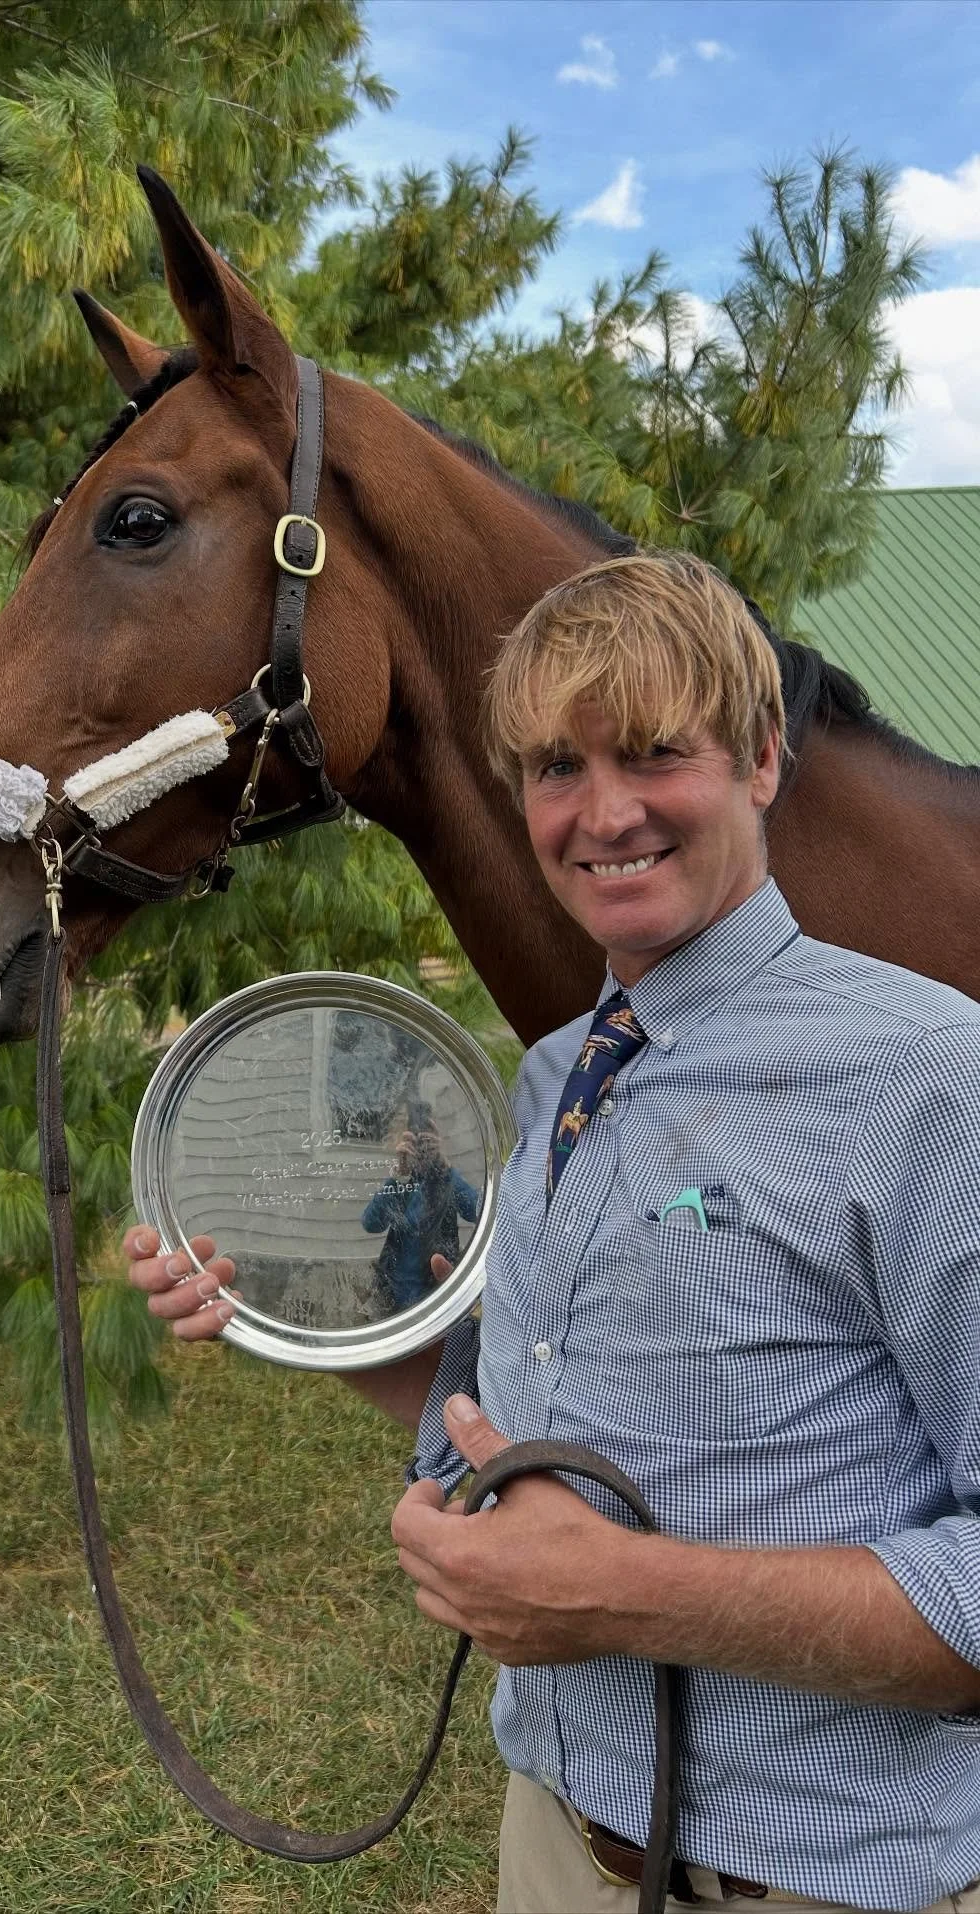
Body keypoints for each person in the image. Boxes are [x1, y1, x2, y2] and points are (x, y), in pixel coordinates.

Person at [126, 551, 980, 1913]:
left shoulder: (928, 1072)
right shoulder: (564, 1071)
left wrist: (622, 1593)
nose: (604, 813)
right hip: (558, 1842)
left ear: (762, 760)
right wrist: (293, 1315)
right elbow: (507, 1421)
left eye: (655, 754)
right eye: (555, 770)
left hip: (820, 1881)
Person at [362, 1125, 481, 1312]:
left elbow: (477, 1211)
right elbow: (371, 1224)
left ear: (438, 1143)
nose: (421, 1148)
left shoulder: (447, 1180)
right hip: (393, 1294)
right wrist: (398, 1177)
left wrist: (446, 1168)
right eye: (414, 1142)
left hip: (437, 1292)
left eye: (428, 1141)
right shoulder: (402, 1182)